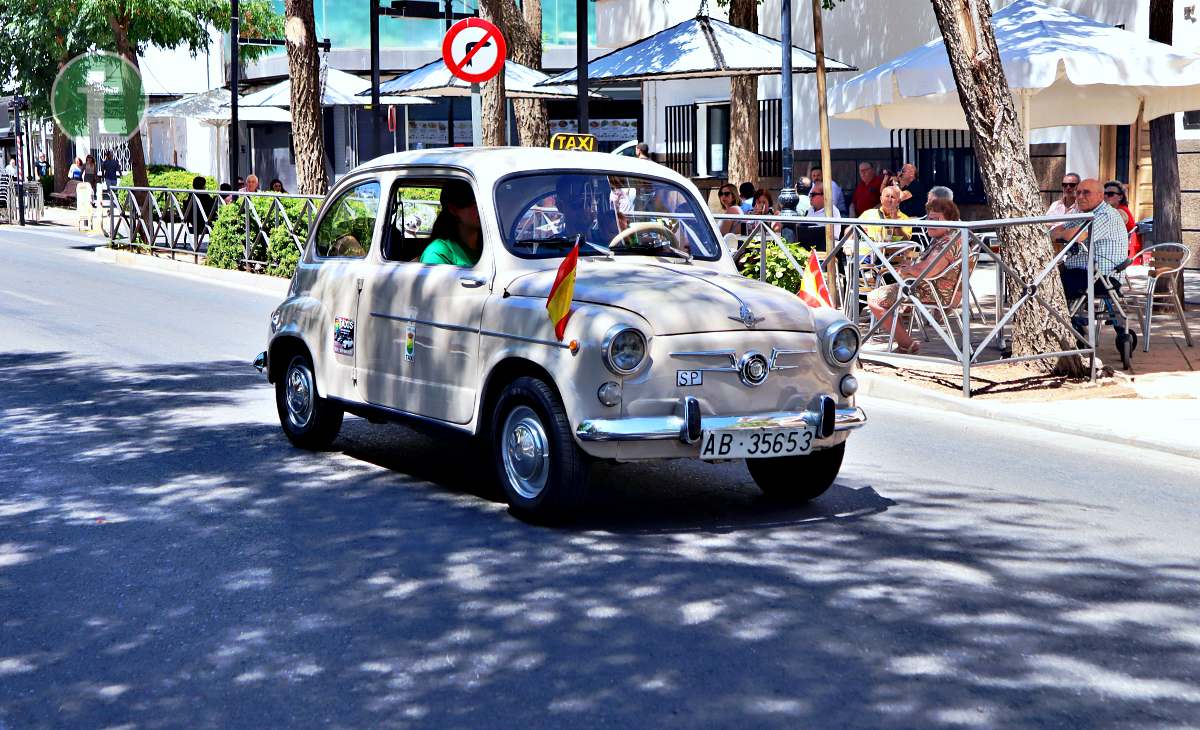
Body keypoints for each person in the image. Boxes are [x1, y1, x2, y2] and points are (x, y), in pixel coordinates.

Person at [867, 198, 964, 354]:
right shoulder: (952, 238)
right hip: (935, 288)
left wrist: (908, 270)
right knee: (889, 295)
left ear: (949, 221)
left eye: (935, 219)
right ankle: (904, 340)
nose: (929, 222)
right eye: (929, 218)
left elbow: (928, 271)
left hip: (932, 292)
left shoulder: (947, 243)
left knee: (874, 298)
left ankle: (906, 344)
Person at [1056, 178, 1128, 305]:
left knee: (1049, 284)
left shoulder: (1105, 214)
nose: (1080, 197)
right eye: (1078, 193)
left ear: (1100, 196)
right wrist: (1061, 234)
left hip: (1103, 278)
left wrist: (1061, 234)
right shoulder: (1083, 212)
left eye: (1086, 192)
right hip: (1083, 273)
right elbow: (1054, 231)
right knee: (1044, 277)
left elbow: (1077, 236)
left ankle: (1063, 321)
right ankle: (1066, 320)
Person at [420, 180, 482, 266]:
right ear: (453, 210)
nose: (480, 208)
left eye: (483, 202)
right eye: (472, 203)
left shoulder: (492, 245)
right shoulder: (438, 252)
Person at [1104, 180, 1139, 257]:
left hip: (1121, 255)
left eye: (1110, 194)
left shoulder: (1120, 212)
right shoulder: (1113, 210)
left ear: (1120, 197)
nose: (1106, 196)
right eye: (1104, 193)